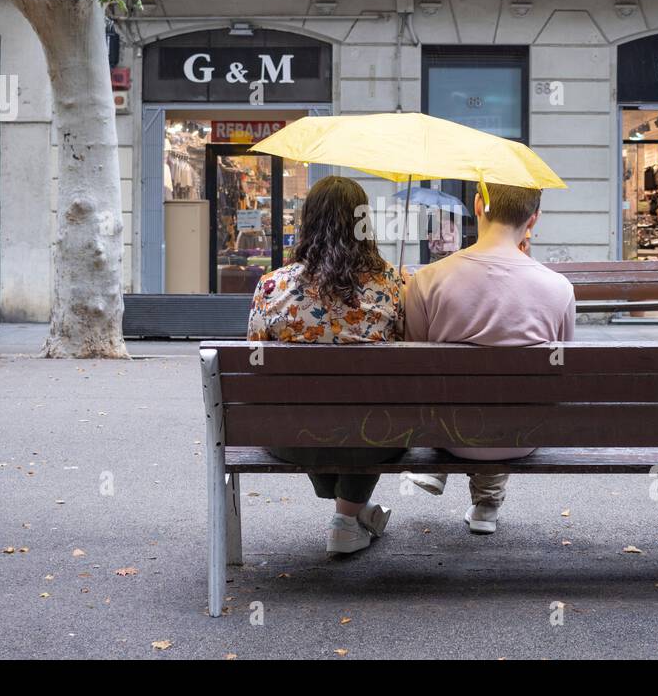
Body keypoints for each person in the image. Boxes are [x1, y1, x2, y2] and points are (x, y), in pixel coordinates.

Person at [402, 183, 576, 534]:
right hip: (520, 436)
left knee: (452, 395)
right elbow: (561, 369)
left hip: (447, 433)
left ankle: (439, 467)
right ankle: (487, 504)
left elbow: (412, 364)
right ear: (534, 219)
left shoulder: (427, 280)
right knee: (508, 400)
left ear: (478, 205)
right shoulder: (559, 288)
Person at [247, 176, 407, 554]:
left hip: (292, 438)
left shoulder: (271, 287)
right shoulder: (391, 284)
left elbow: (255, 365)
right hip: (373, 438)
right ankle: (348, 516)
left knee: (313, 415)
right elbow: (403, 358)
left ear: (307, 222)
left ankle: (349, 513)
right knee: (365, 417)